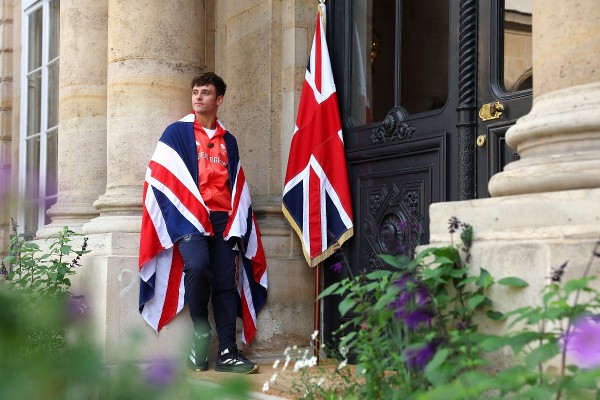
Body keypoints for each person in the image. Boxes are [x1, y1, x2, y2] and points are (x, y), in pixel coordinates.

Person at [138, 72, 267, 375]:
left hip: (224, 220)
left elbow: (236, 183)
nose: (198, 97)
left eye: (205, 92)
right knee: (196, 267)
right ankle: (200, 332)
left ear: (219, 99)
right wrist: (186, 211)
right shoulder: (176, 133)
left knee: (225, 282)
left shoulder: (229, 141)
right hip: (191, 217)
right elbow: (160, 177)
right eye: (195, 92)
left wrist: (237, 217)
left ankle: (227, 351)